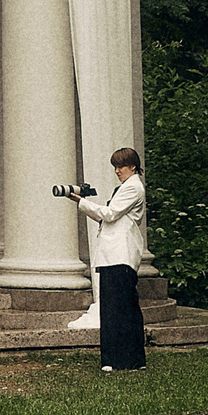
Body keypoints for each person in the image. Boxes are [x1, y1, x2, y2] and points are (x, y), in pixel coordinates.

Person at [76, 147, 148, 371]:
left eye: (121, 166)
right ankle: (128, 358)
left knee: (119, 308)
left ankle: (121, 359)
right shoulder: (127, 186)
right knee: (116, 307)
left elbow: (109, 214)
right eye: (115, 167)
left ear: (133, 167)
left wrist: (80, 201)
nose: (117, 171)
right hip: (114, 254)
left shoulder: (133, 187)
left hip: (120, 254)